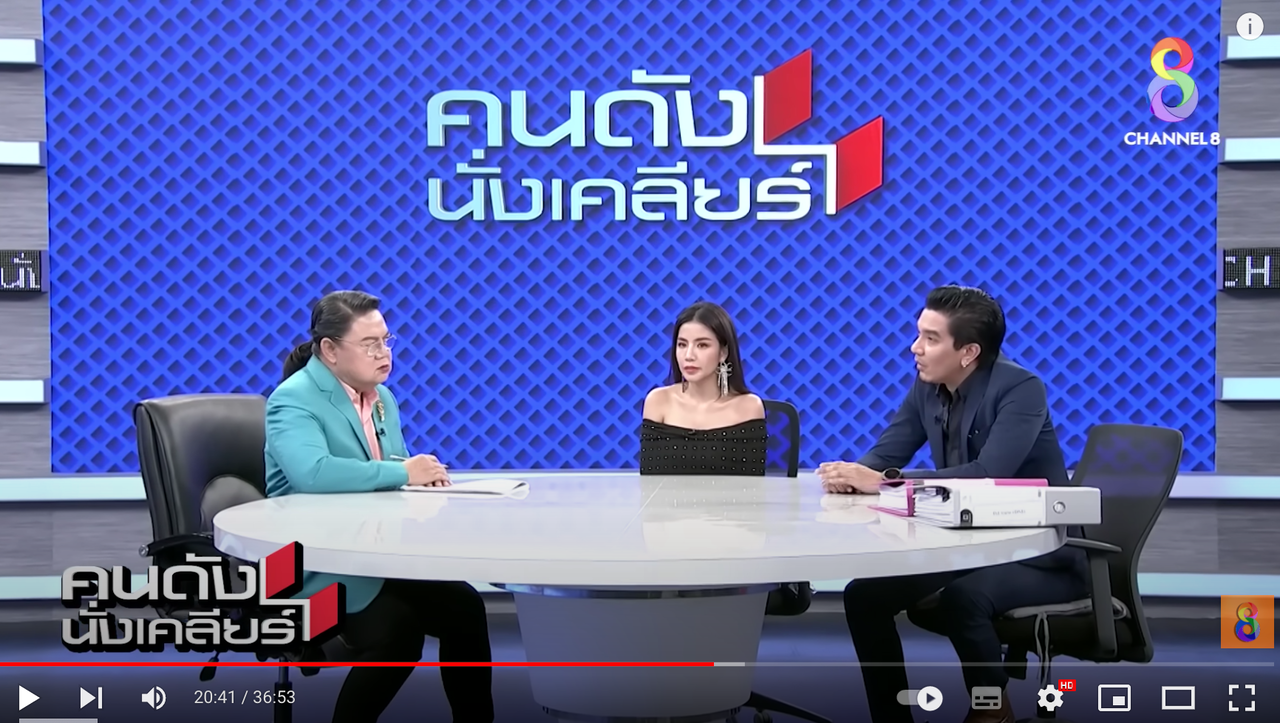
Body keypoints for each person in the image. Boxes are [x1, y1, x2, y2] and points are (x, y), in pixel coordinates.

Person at [816, 285, 1087, 723]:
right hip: (969, 544)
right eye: (918, 334)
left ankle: (992, 710)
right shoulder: (928, 386)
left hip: (1039, 552)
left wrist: (883, 483)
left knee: (965, 598)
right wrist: (849, 475)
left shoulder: (1021, 389)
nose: (915, 347)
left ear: (968, 352)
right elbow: (887, 454)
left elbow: (988, 474)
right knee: (864, 596)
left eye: (931, 338)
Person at [265, 290, 494, 723]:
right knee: (397, 633)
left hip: (372, 555)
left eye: (386, 340)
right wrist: (403, 472)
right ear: (330, 350)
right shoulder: (292, 399)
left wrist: (422, 482)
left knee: (464, 608)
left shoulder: (381, 398)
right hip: (314, 563)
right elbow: (312, 473)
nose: (384, 353)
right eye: (370, 344)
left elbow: (387, 470)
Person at [640, 301, 766, 475]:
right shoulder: (658, 401)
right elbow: (650, 482)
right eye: (682, 344)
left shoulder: (749, 407)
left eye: (702, 345)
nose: (689, 355)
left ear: (723, 352)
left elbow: (752, 485)